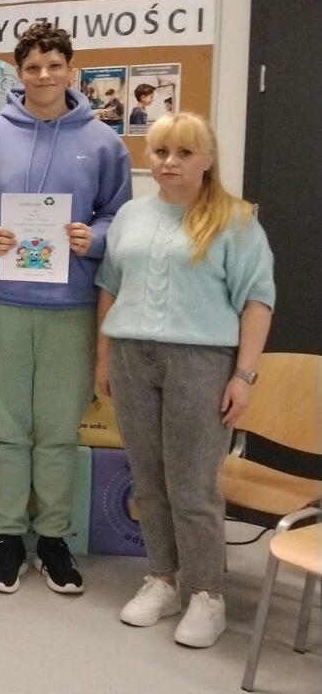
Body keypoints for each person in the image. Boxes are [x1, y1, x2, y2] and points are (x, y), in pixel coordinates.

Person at [0, 21, 131, 595]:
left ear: (71, 70)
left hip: (71, 305)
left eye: (55, 66)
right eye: (33, 67)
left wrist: (93, 238)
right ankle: (7, 535)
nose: (44, 76)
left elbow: (119, 215)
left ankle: (53, 538)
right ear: (20, 72)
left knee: (57, 431)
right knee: (5, 429)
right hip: (0, 303)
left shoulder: (104, 143)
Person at [95, 113, 274, 648]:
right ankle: (163, 580)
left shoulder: (236, 221)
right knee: (149, 480)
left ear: (207, 160)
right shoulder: (131, 215)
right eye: (160, 152)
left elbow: (257, 301)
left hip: (201, 362)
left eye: (183, 153)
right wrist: (103, 357)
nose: (169, 162)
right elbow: (109, 286)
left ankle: (206, 594)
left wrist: (244, 375)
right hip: (131, 357)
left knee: (192, 487)